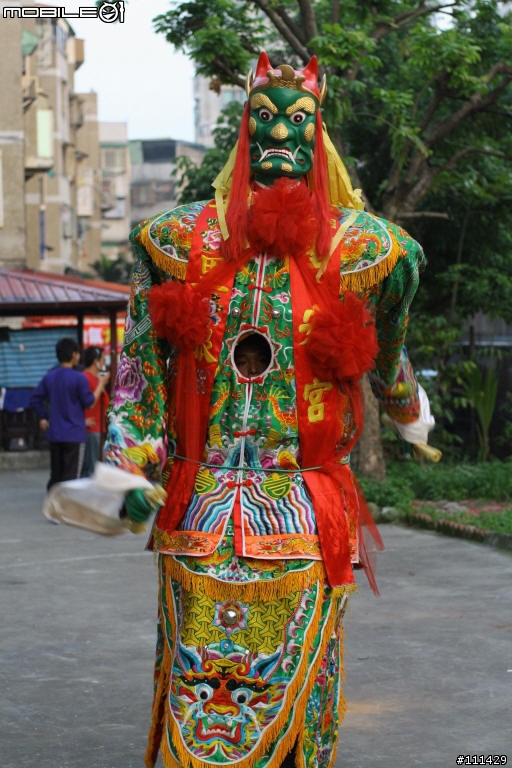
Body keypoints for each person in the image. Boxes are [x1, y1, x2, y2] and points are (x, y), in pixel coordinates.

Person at [104, 51, 436, 768]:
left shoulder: (364, 248)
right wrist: (127, 469)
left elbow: (389, 346)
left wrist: (403, 401)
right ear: (243, 131)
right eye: (264, 117)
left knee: (295, 688)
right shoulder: (175, 242)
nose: (281, 132)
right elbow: (137, 374)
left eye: (298, 119)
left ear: (318, 134)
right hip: (209, 515)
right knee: (208, 691)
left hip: (298, 515)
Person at [30, 336, 109, 490]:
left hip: (55, 434)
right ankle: (66, 510)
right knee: (72, 478)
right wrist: (101, 385)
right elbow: (89, 402)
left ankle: (55, 506)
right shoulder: (79, 378)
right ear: (74, 355)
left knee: (56, 475)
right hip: (74, 434)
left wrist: (44, 416)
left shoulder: (50, 376)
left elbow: (35, 399)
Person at [81, 346, 110, 477]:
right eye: (103, 359)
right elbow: (86, 403)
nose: (104, 363)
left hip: (99, 428)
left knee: (95, 466)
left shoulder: (96, 378)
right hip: (92, 429)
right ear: (95, 361)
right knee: (91, 468)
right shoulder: (85, 378)